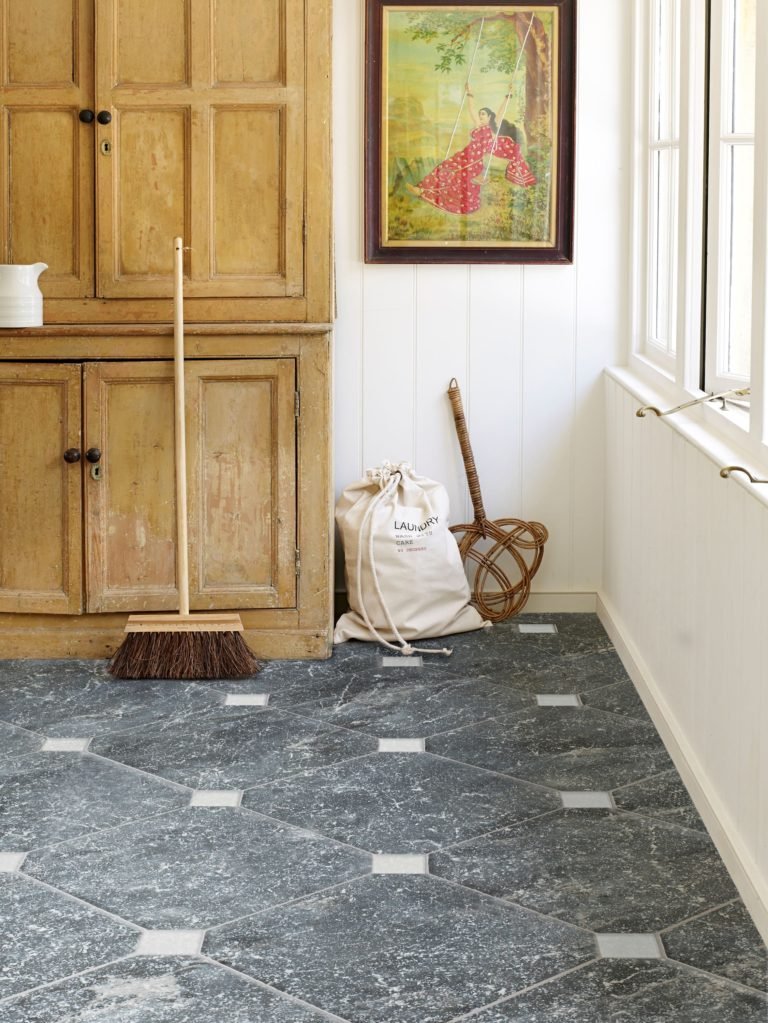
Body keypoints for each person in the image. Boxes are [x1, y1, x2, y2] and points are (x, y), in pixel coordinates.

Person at [406, 83, 536, 215]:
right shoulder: (478, 125)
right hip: (464, 155)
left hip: (474, 161)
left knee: (460, 177)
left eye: (483, 114)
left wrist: (508, 96)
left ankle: (429, 192)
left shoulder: (492, 128)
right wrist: (469, 94)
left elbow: (501, 110)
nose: (480, 116)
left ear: (490, 117)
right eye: (480, 114)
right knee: (444, 168)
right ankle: (422, 189)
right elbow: (471, 109)